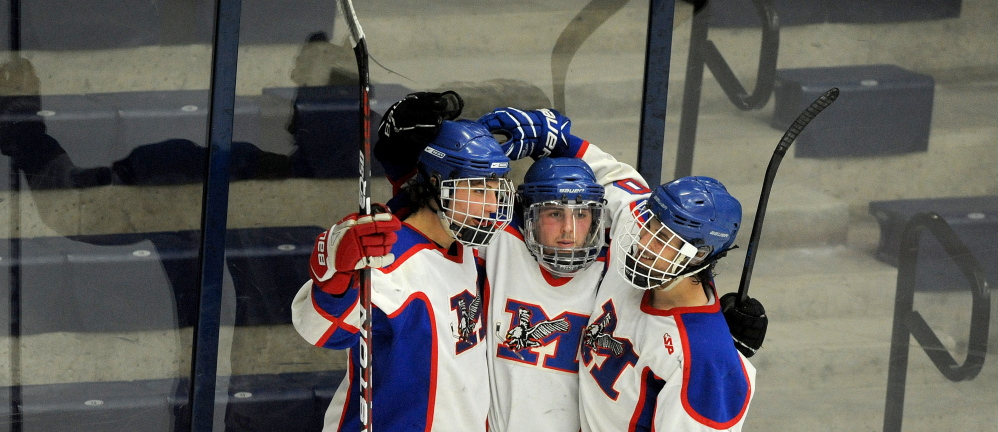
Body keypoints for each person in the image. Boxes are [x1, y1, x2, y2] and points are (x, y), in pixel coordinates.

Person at [291, 118, 515, 431]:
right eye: (477, 190)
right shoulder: (388, 254)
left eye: (495, 189)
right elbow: (322, 331)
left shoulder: (466, 248)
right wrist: (335, 280)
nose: (492, 205)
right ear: (436, 184)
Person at [578, 176, 756, 432]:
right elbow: (613, 176)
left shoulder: (705, 361)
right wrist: (548, 138)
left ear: (698, 255)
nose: (643, 242)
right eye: (649, 224)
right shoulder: (645, 261)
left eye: (661, 238)